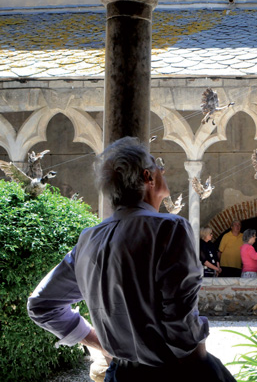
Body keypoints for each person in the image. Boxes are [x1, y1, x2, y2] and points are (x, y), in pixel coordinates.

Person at [27, 137, 235, 382]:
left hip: (120, 375)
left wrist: (103, 344)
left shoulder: (89, 239)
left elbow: (41, 305)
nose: (162, 170)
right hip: (177, 373)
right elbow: (181, 331)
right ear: (148, 177)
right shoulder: (169, 228)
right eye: (157, 165)